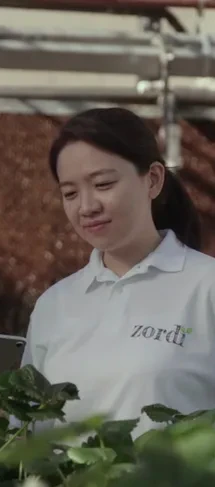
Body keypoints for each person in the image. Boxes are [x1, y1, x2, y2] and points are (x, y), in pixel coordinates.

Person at [22, 106, 215, 437]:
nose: (87, 206)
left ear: (152, 179)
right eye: (70, 193)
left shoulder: (205, 286)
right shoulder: (54, 305)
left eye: (103, 184)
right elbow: (27, 430)